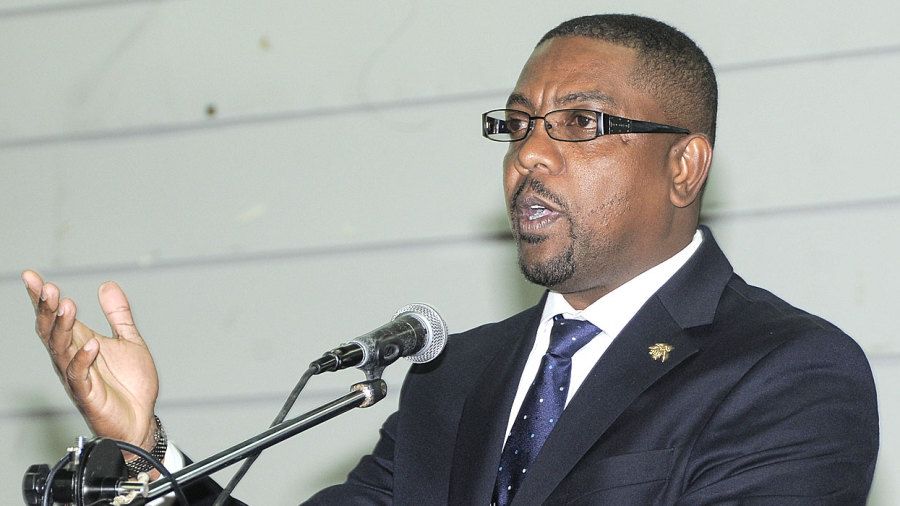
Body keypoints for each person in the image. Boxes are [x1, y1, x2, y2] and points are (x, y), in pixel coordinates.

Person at [25, 14, 878, 505]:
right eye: (517, 126)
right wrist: (143, 449)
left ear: (684, 166)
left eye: (580, 124)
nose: (529, 156)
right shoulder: (455, 377)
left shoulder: (787, 371)